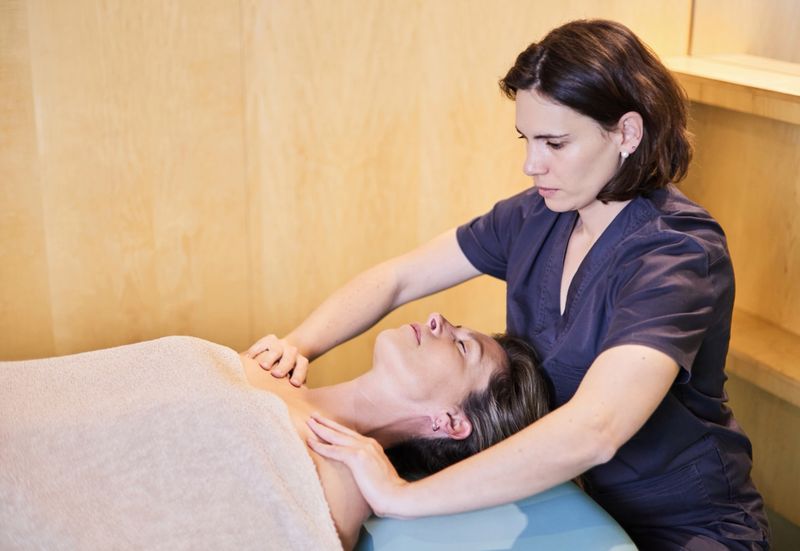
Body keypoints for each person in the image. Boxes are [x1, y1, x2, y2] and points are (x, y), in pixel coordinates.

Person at [248, 19, 770, 550]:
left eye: (555, 142)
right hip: (567, 495)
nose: (530, 164)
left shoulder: (674, 252)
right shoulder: (538, 216)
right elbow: (399, 278)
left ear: (627, 134)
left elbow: (598, 428)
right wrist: (298, 346)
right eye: (526, 139)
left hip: (686, 526)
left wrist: (399, 496)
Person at [0, 314, 549, 551]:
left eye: (459, 344)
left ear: (450, 423)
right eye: (453, 324)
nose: (436, 321)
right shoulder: (272, 365)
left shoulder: (336, 487)